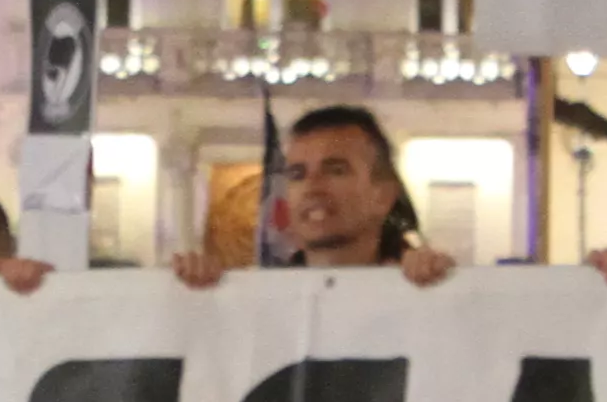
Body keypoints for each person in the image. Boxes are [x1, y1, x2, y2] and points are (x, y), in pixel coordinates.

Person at [174, 106, 454, 283]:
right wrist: (198, 296)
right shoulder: (255, 296)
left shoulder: (421, 292)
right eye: (297, 174)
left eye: (336, 171)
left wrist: (443, 285)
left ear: (383, 195)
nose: (312, 186)